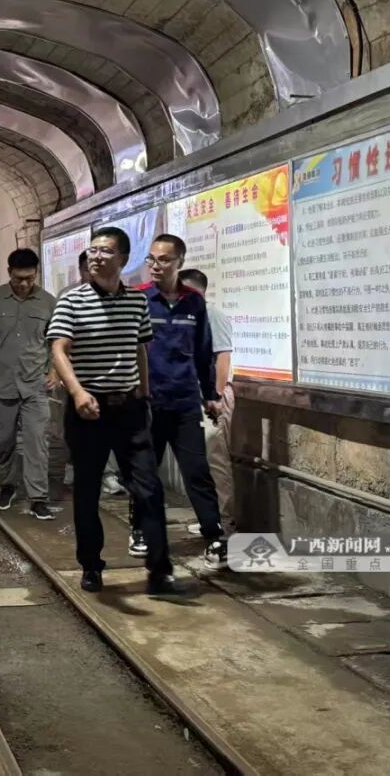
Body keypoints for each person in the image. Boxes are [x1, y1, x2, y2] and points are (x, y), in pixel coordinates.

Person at [47, 227, 172, 593]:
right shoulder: (72, 301)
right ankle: (91, 564)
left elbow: (140, 348)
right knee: (87, 490)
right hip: (88, 411)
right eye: (93, 250)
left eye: (105, 251)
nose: (96, 256)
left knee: (148, 488)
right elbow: (59, 349)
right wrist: (77, 392)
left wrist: (144, 394)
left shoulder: (136, 302)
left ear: (123, 258)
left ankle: (160, 567)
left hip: (129, 409)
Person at [134, 234, 227, 571]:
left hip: (185, 401)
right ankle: (140, 529)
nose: (156, 265)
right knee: (146, 471)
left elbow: (203, 353)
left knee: (197, 471)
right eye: (152, 259)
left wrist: (210, 395)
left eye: (164, 259)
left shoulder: (194, 303)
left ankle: (214, 533)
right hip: (149, 401)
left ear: (180, 263)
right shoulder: (140, 299)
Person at [0, 249, 58, 521]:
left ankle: (38, 497)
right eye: (19, 278)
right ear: (9, 273)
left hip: (35, 384)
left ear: (36, 273)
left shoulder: (48, 302)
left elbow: (57, 340)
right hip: (0, 383)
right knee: (3, 440)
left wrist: (54, 370)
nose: (24, 284)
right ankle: (7, 485)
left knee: (36, 442)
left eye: (30, 278)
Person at [59, 250, 124, 497]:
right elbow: (58, 344)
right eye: (88, 269)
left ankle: (107, 475)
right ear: (81, 270)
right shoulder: (68, 297)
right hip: (77, 379)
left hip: (111, 380)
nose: (93, 273)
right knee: (78, 430)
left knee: (108, 428)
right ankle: (76, 467)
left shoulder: (120, 296)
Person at [179, 268, 236, 534]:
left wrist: (215, 396)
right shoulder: (193, 315)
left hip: (212, 397)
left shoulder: (212, 314)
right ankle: (210, 518)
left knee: (216, 458)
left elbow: (223, 357)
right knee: (203, 460)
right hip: (194, 396)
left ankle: (224, 520)